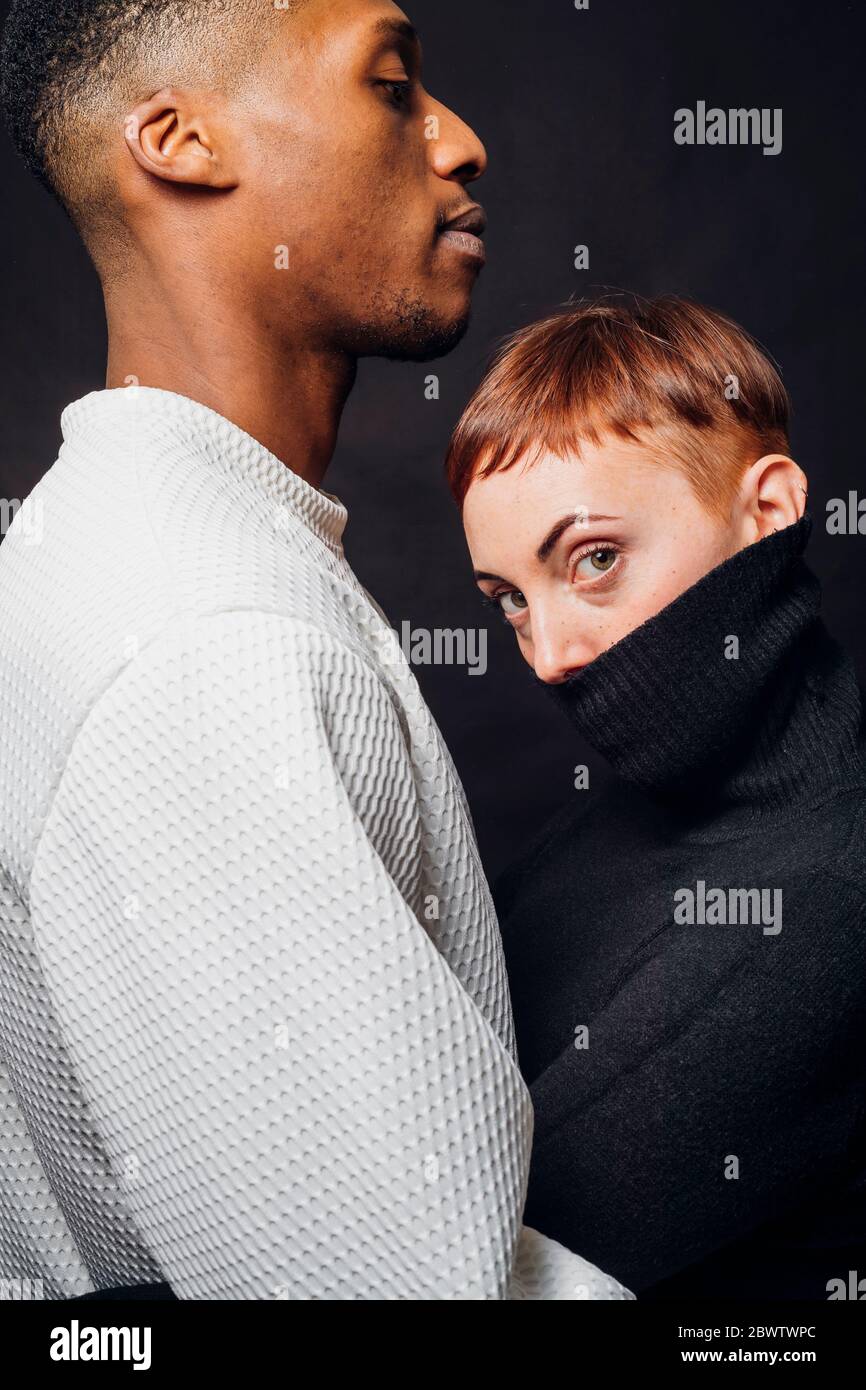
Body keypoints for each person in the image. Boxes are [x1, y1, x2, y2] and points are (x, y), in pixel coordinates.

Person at [0, 0, 632, 1301]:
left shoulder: (125, 537)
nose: (459, 144)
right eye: (392, 86)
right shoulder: (201, 638)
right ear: (179, 142)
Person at [446, 294, 866, 1299]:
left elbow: (448, 1271)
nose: (548, 657)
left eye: (592, 559)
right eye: (508, 599)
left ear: (764, 509)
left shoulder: (818, 911)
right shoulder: (614, 817)